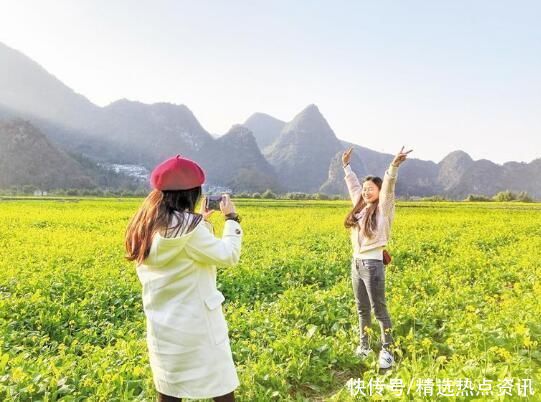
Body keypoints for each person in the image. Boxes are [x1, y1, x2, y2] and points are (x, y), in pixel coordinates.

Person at [124, 154, 243, 401]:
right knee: (220, 388)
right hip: (198, 328)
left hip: (164, 327)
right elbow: (228, 255)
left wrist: (201, 222)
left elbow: (183, 247)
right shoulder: (191, 228)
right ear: (192, 193)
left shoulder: (146, 224)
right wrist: (232, 220)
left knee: (169, 390)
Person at [342, 146, 412, 369]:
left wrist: (393, 167)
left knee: (379, 309)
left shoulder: (384, 208)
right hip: (356, 263)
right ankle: (364, 345)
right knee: (361, 308)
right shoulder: (360, 207)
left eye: (370, 189)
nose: (365, 192)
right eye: (364, 189)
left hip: (372, 264)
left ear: (379, 191)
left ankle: (387, 350)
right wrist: (346, 166)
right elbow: (353, 186)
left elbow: (389, 187)